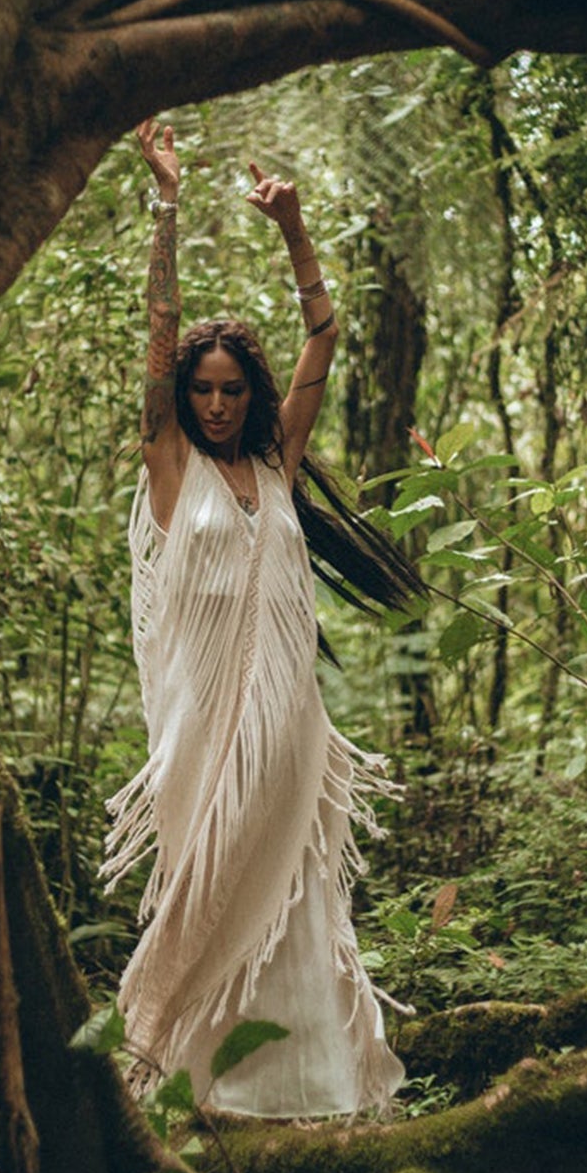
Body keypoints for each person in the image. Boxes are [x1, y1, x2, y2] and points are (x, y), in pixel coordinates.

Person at [101, 116, 409, 1118]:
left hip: (288, 735)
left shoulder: (275, 465)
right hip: (201, 741)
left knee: (295, 903)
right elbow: (151, 345)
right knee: (205, 900)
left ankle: (311, 1099)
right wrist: (167, 204)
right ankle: (200, 1096)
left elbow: (325, 333)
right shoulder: (170, 464)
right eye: (205, 387)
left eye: (234, 387)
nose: (220, 401)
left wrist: (296, 228)